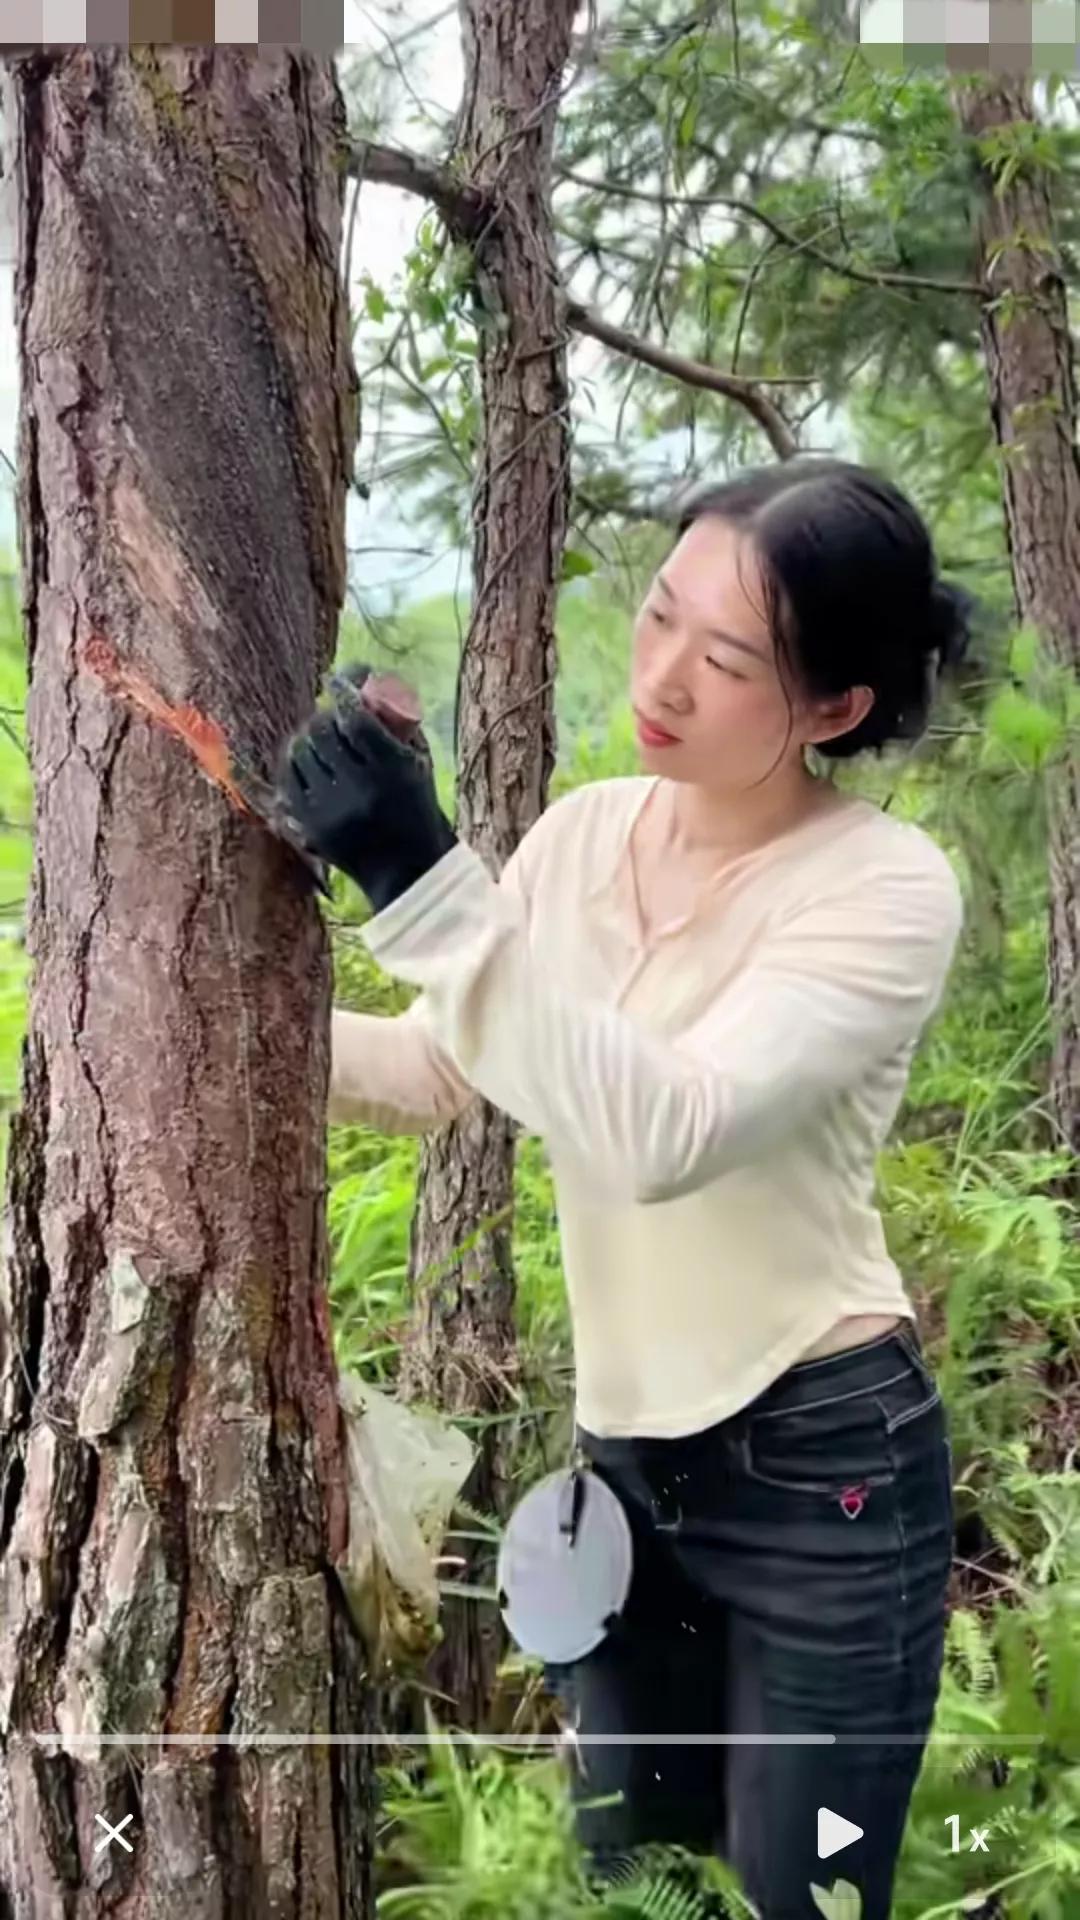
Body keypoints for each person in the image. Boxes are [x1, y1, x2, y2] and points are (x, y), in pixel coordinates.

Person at [278, 458, 969, 1919]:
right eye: (660, 619)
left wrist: (425, 881)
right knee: (637, 1883)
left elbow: (669, 1129)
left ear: (833, 710)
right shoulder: (588, 835)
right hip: (628, 1477)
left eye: (725, 661)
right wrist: (183, 1021)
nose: (663, 676)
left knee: (806, 1899)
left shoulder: (882, 890)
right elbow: (437, 1070)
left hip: (824, 1480)